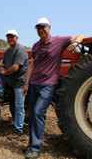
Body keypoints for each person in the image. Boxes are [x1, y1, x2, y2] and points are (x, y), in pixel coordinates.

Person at [22, 18, 85, 159]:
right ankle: (31, 144)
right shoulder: (36, 45)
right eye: (38, 28)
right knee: (32, 115)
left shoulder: (59, 41)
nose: (41, 30)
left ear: (49, 27)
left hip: (48, 85)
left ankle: (36, 149)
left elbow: (81, 36)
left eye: (43, 27)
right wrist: (26, 84)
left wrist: (75, 43)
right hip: (33, 84)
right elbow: (31, 66)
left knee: (38, 112)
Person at [0, 29, 29, 140]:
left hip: (20, 82)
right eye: (8, 37)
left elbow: (15, 67)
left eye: (12, 37)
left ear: (17, 37)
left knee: (19, 106)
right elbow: (5, 64)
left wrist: (4, 72)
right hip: (11, 79)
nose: (10, 39)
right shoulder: (8, 51)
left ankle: (18, 130)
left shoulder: (20, 50)